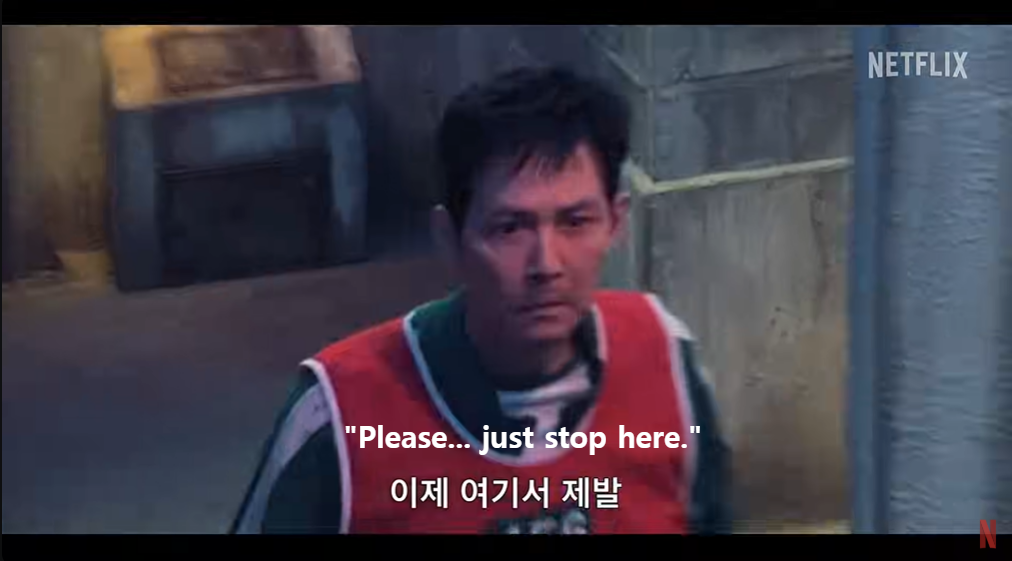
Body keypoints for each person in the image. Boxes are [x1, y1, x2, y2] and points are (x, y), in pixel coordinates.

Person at [231, 66, 731, 535]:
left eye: (575, 222)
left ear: (616, 223)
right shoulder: (339, 412)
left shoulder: (665, 358)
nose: (546, 264)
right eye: (510, 228)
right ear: (448, 236)